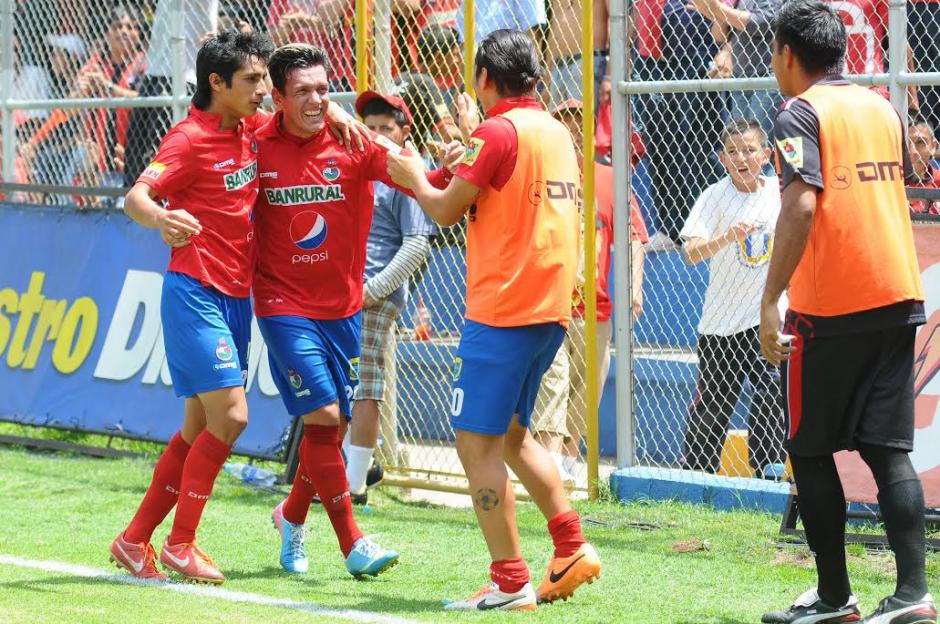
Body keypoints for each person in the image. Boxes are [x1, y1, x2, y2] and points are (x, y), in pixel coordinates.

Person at [387, 28, 601, 611]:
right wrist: (448, 168)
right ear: (537, 77)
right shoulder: (555, 130)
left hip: (504, 308)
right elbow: (493, 193)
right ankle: (570, 546)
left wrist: (412, 174)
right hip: (550, 306)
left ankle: (510, 582)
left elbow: (445, 208)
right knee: (511, 435)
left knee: (474, 443)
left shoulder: (496, 131)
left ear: (484, 79)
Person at [759, 2, 936, 622]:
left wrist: (769, 298)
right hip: (899, 294)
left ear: (786, 54)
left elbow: (802, 205)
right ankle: (913, 595)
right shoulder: (882, 106)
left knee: (809, 451)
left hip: (829, 305)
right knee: (888, 450)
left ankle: (835, 598)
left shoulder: (797, 111)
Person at [254, 43, 450, 579]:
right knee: (322, 417)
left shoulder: (352, 143)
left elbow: (413, 175)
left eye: (323, 89)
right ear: (276, 98)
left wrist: (446, 170)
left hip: (343, 306)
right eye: (303, 92)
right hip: (280, 303)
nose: (317, 100)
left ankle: (290, 516)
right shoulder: (256, 143)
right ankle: (353, 542)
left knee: (329, 425)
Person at [109, 31, 275, 585]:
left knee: (194, 431)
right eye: (252, 79)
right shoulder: (187, 139)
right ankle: (182, 543)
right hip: (194, 292)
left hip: (236, 297)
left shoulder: (250, 128)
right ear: (217, 84)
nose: (263, 88)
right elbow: (136, 196)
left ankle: (134, 542)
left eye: (264, 77)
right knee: (232, 416)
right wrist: (161, 218)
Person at [532, 98, 648, 485]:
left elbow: (633, 236)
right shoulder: (540, 174)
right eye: (563, 124)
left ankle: (565, 462)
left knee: (586, 388)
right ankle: (549, 463)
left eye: (578, 124)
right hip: (547, 301)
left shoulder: (607, 179)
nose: (572, 132)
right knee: (553, 379)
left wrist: (635, 285)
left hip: (594, 305)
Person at [344, 91, 438, 503]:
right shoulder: (356, 164)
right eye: (370, 126)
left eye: (386, 128)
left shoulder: (406, 173)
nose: (377, 135)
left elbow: (417, 245)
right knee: (336, 385)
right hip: (338, 290)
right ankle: (359, 465)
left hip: (371, 294)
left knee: (365, 384)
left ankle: (354, 486)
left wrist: (372, 292)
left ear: (404, 133)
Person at [679, 118, 785, 477]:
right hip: (721, 322)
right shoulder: (714, 196)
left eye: (750, 150)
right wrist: (726, 237)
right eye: (733, 151)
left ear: (767, 155)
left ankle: (768, 465)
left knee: (771, 386)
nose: (742, 157)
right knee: (715, 399)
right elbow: (691, 252)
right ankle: (698, 470)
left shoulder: (778, 192)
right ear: (722, 158)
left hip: (765, 316)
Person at [122, 0, 219, 187]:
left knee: (163, 151)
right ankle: (136, 204)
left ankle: (163, 204)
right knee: (135, 152)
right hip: (156, 70)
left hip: (184, 72)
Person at [685, 0, 782, 134]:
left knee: (759, 140)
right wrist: (715, 13)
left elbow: (760, 24)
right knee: (739, 139)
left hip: (766, 77)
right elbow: (718, 36)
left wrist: (717, 8)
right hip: (740, 79)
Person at [908, 117, 940, 215]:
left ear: (933, 146)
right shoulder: (888, 182)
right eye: (905, 143)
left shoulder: (938, 181)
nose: (912, 151)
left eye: (920, 142)